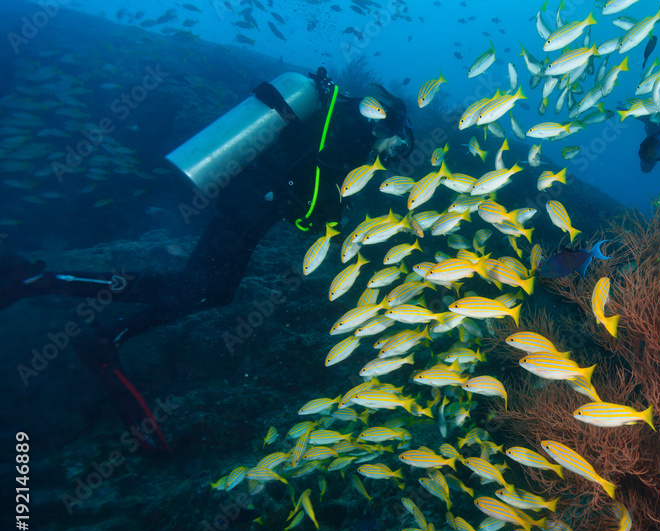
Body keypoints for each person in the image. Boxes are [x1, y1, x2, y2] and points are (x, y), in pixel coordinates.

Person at [0, 67, 414, 455]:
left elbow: (305, 174)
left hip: (249, 198)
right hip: (250, 203)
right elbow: (313, 192)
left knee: (204, 288)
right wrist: (331, 216)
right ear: (388, 124)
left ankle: (79, 309)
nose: (393, 156)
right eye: (399, 147)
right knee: (203, 289)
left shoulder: (339, 117)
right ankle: (70, 305)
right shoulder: (352, 130)